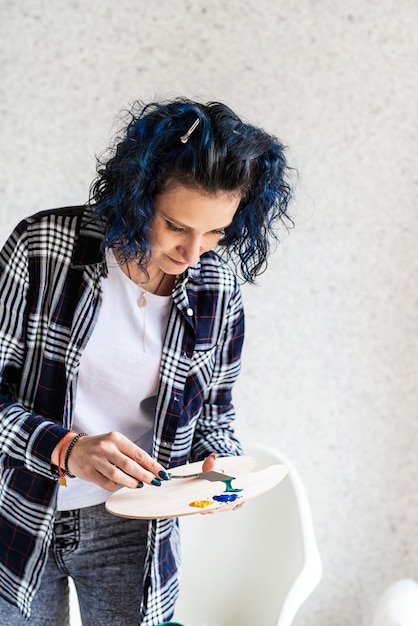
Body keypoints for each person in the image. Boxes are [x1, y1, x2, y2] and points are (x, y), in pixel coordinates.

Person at [0, 97, 293, 625]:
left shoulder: (217, 287)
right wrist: (65, 448)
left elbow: (216, 416)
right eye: (177, 226)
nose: (194, 251)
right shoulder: (44, 247)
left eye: (216, 232)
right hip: (19, 508)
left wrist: (219, 464)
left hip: (136, 524)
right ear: (137, 195)